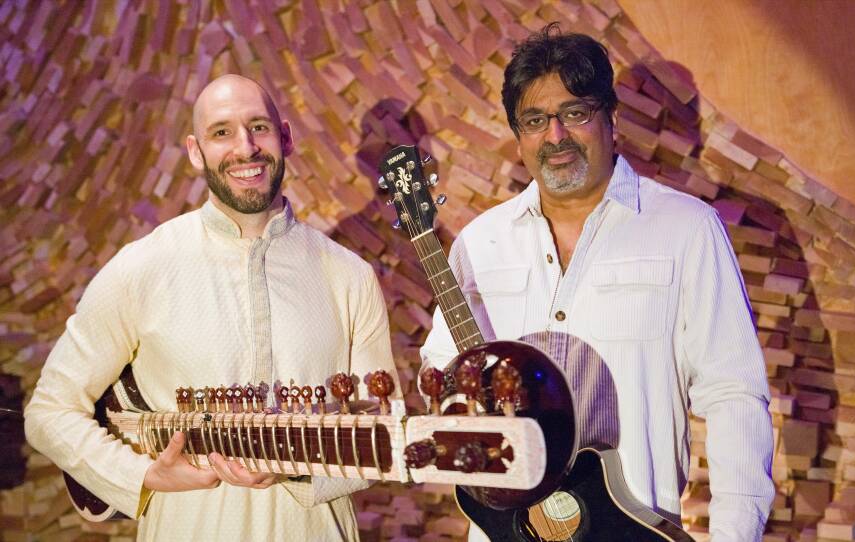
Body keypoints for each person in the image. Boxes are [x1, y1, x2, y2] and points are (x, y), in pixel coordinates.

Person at [420, 24, 774, 541]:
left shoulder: (685, 229)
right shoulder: (479, 243)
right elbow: (441, 371)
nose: (555, 136)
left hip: (633, 526)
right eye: (536, 120)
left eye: (575, 114)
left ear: (610, 119)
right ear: (519, 136)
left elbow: (733, 394)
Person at [24, 75, 398, 541]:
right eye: (221, 132)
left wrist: (296, 470)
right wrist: (143, 476)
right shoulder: (143, 267)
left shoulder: (350, 275)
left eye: (258, 127)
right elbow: (49, 412)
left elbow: (384, 435)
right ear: (195, 151)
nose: (245, 148)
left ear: (285, 137)